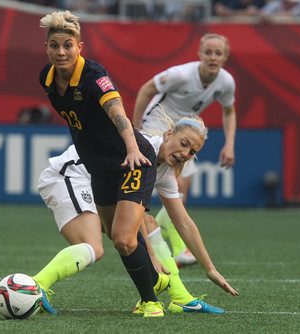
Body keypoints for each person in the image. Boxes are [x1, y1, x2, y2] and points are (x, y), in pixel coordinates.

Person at [32, 115, 238, 316]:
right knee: (94, 246)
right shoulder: (143, 151)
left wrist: (209, 268)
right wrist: (150, 256)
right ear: (168, 135)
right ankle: (36, 286)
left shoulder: (165, 171)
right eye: (184, 143)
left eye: (192, 151)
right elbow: (131, 218)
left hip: (95, 185)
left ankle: (180, 296)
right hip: (70, 175)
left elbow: (183, 222)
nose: (185, 153)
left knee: (146, 223)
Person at [38, 10, 164, 317]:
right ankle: (157, 281)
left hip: (133, 162)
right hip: (100, 169)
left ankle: (151, 303)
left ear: (80, 47)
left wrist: (132, 149)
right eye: (55, 45)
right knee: (118, 234)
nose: (61, 51)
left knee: (123, 239)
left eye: (68, 45)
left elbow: (117, 113)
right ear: (47, 48)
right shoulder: (47, 78)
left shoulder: (94, 77)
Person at [132, 33, 237, 267]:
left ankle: (170, 240)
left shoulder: (226, 82)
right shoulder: (180, 75)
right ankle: (170, 246)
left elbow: (229, 110)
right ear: (199, 54)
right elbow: (146, 90)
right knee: (158, 188)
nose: (212, 57)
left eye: (218, 53)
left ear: (225, 57)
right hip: (158, 127)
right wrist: (136, 130)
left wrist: (229, 143)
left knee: (180, 192)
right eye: (208, 52)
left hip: (187, 135)